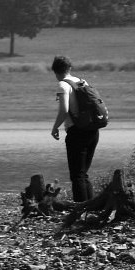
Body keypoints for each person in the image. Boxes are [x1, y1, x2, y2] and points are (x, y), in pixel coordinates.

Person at [49, 55, 98, 202]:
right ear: (69, 68)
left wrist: (55, 127)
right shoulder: (82, 82)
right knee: (83, 174)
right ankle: (91, 207)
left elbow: (64, 110)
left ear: (55, 71)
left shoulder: (63, 85)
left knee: (77, 175)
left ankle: (80, 210)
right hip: (93, 130)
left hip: (77, 133)